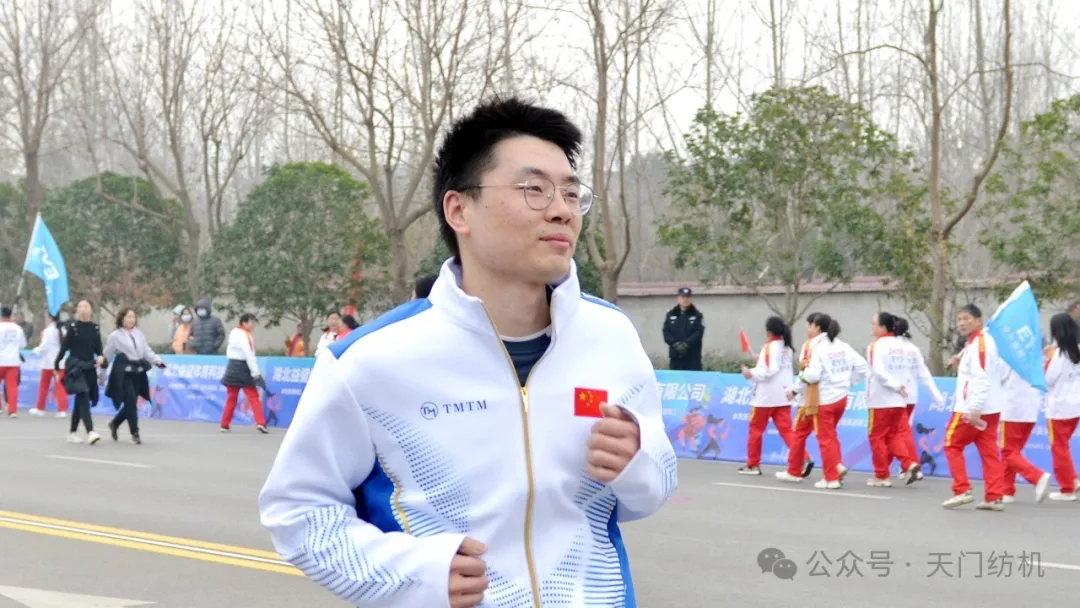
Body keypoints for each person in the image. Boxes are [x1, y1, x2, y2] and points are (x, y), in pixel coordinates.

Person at [258, 96, 677, 608]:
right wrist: (417, 575)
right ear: (459, 210)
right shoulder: (371, 361)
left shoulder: (611, 337)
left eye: (571, 193)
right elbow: (298, 510)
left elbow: (650, 491)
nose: (562, 210)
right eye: (534, 189)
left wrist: (639, 458)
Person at [781, 314, 867, 489]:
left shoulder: (816, 347)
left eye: (809, 325)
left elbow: (811, 375)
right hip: (841, 398)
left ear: (817, 327)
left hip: (823, 400)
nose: (806, 328)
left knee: (824, 439)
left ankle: (831, 478)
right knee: (830, 436)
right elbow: (862, 366)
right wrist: (849, 382)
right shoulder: (844, 346)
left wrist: (795, 388)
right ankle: (836, 466)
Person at [942, 304, 1009, 510]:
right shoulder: (977, 342)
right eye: (959, 319)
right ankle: (994, 496)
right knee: (989, 451)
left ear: (979, 321)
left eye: (966, 319)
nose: (962, 323)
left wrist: (975, 407)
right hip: (990, 407)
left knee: (952, 444)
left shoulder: (981, 343)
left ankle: (961, 489)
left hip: (972, 407)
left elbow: (981, 377)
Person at [865, 312, 921, 487]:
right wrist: (901, 387)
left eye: (874, 324)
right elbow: (907, 371)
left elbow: (878, 371)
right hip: (899, 400)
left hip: (880, 399)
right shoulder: (902, 346)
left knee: (876, 436)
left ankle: (881, 475)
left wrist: (895, 386)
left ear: (883, 327)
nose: (872, 327)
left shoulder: (876, 345)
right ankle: (908, 463)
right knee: (893, 435)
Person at [738, 316, 796, 475]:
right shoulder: (787, 347)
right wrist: (761, 359)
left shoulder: (770, 347)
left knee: (755, 431)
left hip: (765, 398)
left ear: (768, 331)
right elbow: (775, 365)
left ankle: (753, 465)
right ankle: (802, 458)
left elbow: (769, 370)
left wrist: (750, 373)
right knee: (787, 431)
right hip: (783, 395)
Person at [102, 308, 166, 445]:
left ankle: (114, 423)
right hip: (124, 373)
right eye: (128, 317)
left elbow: (146, 351)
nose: (131, 319)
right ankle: (134, 433)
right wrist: (101, 375)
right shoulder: (115, 336)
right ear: (122, 318)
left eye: (133, 317)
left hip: (138, 372)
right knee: (130, 400)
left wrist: (157, 361)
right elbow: (106, 355)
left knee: (131, 404)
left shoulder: (139, 334)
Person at [893, 317, 942, 480]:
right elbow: (925, 375)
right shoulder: (913, 349)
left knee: (899, 433)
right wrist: (937, 397)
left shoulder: (892, 348)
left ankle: (910, 465)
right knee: (902, 431)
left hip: (896, 396)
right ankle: (907, 466)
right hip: (911, 397)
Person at [54, 299, 105, 445]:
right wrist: (56, 365)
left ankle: (72, 433)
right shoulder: (73, 328)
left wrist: (101, 357)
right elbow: (64, 348)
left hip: (89, 367)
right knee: (82, 394)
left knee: (80, 400)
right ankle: (91, 431)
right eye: (80, 306)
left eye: (86, 306)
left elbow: (98, 349)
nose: (83, 309)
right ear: (77, 310)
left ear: (91, 309)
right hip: (75, 367)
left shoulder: (95, 328)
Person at [998, 365, 1051, 503]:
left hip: (1013, 409)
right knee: (1013, 452)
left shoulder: (1008, 356)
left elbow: (998, 376)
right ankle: (1006, 490)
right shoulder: (1035, 355)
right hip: (1031, 409)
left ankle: (1037, 477)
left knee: (1008, 451)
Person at [1043, 312, 1080, 502]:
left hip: (1059, 408)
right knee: (1062, 447)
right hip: (1075, 407)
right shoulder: (1077, 350)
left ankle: (1067, 489)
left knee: (1059, 448)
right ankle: (1073, 480)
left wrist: (1047, 360)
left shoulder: (1058, 355)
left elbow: (1048, 380)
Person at [220, 313, 268, 434]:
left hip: (232, 367)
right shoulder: (246, 335)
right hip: (243, 368)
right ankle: (260, 422)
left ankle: (224, 424)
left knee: (231, 397)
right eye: (251, 322)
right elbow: (249, 355)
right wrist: (256, 374)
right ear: (244, 322)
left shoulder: (233, 332)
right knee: (253, 396)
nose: (253, 325)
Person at [30, 312, 68, 418]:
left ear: (50, 317)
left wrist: (35, 351)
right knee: (60, 386)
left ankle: (40, 408)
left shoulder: (48, 331)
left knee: (44, 386)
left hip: (48, 363)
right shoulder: (64, 330)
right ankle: (62, 410)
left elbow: (44, 347)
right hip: (60, 363)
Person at [663, 287, 705, 371]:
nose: (685, 299)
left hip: (692, 358)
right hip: (676, 357)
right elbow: (666, 332)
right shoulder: (670, 315)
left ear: (691, 299)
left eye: (688, 297)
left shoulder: (697, 315)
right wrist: (675, 344)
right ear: (678, 298)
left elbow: (698, 332)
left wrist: (686, 344)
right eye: (683, 297)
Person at [0, 306, 26, 417]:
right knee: (12, 387)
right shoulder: (18, 328)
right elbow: (23, 345)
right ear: (11, 315)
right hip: (13, 361)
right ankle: (12, 411)